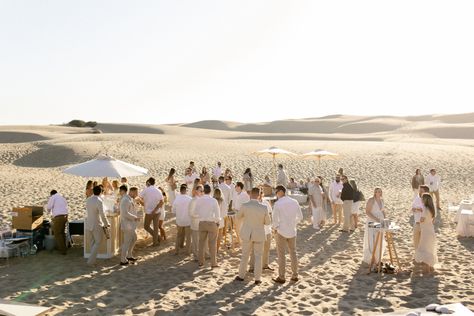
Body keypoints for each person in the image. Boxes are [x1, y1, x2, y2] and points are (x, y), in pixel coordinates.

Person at [234, 188, 271, 285]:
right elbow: (268, 222)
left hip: (247, 233)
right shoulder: (264, 208)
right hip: (259, 233)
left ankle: (241, 276)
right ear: (259, 195)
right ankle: (257, 278)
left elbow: (238, 217)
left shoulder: (245, 206)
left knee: (245, 255)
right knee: (259, 256)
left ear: (250, 195)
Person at [272, 185, 303, 284]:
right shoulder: (294, 202)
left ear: (281, 192)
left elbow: (274, 220)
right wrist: (294, 223)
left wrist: (276, 228)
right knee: (293, 253)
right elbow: (300, 217)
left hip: (281, 231)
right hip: (292, 231)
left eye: (276, 192)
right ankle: (295, 275)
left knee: (281, 255)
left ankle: (282, 276)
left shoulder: (278, 204)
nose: (276, 194)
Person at [191, 184, 221, 268]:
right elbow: (218, 214)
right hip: (211, 223)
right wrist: (217, 221)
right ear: (210, 191)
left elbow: (195, 212)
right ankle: (213, 263)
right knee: (212, 243)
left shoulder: (199, 200)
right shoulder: (213, 200)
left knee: (201, 243)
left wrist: (201, 215)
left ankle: (201, 262)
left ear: (203, 191)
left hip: (202, 223)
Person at [86, 186, 110, 265]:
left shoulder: (88, 199)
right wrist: (106, 223)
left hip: (89, 223)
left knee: (93, 242)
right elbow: (102, 214)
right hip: (97, 223)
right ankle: (91, 261)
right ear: (100, 192)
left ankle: (92, 260)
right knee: (98, 242)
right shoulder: (99, 200)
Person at [414, 194, 438, 273]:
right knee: (429, 249)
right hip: (431, 230)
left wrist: (420, 217)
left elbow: (422, 220)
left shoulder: (425, 208)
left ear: (425, 200)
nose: (421, 199)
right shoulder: (432, 209)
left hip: (425, 232)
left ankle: (427, 270)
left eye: (422, 198)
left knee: (424, 249)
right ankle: (430, 268)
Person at [362, 188, 386, 265]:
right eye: (377, 191)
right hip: (372, 222)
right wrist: (376, 219)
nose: (379, 193)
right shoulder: (371, 200)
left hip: (380, 221)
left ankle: (378, 258)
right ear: (375, 192)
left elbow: (382, 210)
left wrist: (384, 218)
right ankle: (372, 258)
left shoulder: (382, 200)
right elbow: (367, 212)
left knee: (379, 239)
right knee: (372, 239)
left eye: (380, 191)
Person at [138, 177, 164, 247]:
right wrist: (155, 210)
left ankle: (157, 238)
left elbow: (139, 197)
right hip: (157, 212)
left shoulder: (146, 190)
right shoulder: (158, 190)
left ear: (148, 182)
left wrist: (142, 203)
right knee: (156, 227)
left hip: (149, 212)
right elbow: (162, 202)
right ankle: (156, 241)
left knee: (146, 226)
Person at [119, 185, 140, 265]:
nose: (137, 194)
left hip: (131, 224)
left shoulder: (130, 199)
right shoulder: (125, 200)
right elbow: (125, 213)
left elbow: (131, 210)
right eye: (136, 193)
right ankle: (122, 259)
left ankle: (129, 255)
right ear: (132, 192)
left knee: (134, 238)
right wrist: (135, 218)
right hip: (127, 224)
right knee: (127, 242)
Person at [46, 190, 68, 255]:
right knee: (62, 233)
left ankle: (63, 250)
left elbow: (48, 207)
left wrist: (49, 212)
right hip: (65, 216)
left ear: (51, 194)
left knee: (57, 233)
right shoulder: (62, 197)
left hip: (58, 217)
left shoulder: (53, 197)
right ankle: (63, 247)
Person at [172, 184, 192, 255]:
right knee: (188, 237)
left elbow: (173, 211)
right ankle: (188, 252)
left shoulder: (177, 199)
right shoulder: (190, 199)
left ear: (180, 191)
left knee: (178, 236)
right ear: (186, 191)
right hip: (188, 220)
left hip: (179, 220)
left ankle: (176, 251)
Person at [412, 185, 430, 250]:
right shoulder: (416, 198)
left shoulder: (429, 201)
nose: (419, 192)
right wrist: (415, 209)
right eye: (419, 190)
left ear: (426, 192)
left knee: (424, 242)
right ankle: (417, 255)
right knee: (416, 241)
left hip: (424, 224)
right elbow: (413, 208)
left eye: (421, 191)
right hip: (417, 222)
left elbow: (430, 213)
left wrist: (421, 210)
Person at [188, 184, 203, 261]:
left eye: (202, 191)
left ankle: (203, 254)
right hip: (195, 224)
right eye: (200, 190)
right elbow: (190, 213)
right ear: (196, 191)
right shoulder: (193, 201)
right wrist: (200, 215)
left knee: (202, 240)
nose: (202, 192)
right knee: (195, 241)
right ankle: (196, 256)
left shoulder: (202, 199)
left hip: (202, 224)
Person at [213, 188, 227, 253]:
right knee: (219, 237)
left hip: (213, 221)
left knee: (213, 237)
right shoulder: (223, 201)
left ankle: (212, 250)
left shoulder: (212, 200)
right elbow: (224, 213)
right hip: (220, 221)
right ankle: (217, 250)